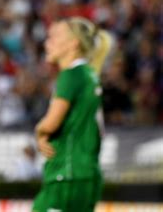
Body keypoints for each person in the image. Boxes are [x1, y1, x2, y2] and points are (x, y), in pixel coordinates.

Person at [32, 17, 113, 212]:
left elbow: (51, 123)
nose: (47, 42)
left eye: (55, 36)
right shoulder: (89, 74)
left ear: (73, 43)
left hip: (66, 175)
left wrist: (39, 132)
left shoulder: (71, 75)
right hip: (88, 175)